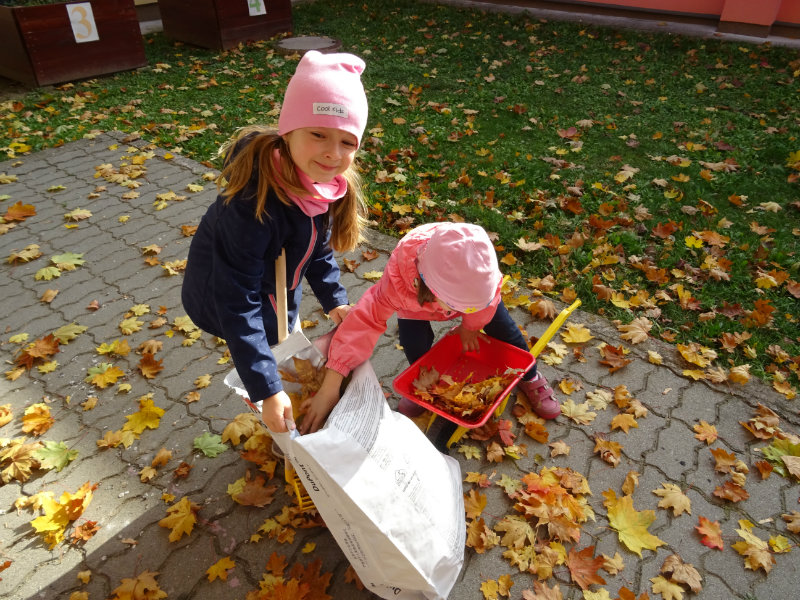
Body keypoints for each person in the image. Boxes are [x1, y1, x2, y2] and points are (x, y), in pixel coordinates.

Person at [181, 50, 369, 436]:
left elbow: (316, 248)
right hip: (224, 298)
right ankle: (270, 404)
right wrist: (266, 389)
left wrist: (334, 300)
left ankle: (273, 388)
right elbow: (237, 302)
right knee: (264, 363)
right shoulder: (251, 206)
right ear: (288, 131)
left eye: (347, 141)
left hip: (275, 291)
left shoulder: (321, 186)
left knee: (279, 341)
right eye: (318, 134)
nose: (333, 152)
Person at [300, 222, 561, 450]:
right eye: (461, 308)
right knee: (414, 342)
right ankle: (424, 383)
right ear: (429, 288)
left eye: (469, 307)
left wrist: (471, 324)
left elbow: (486, 303)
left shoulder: (480, 281)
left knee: (504, 330)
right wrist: (331, 384)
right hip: (413, 298)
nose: (465, 311)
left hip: (459, 295)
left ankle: (530, 376)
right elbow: (363, 323)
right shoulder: (398, 283)